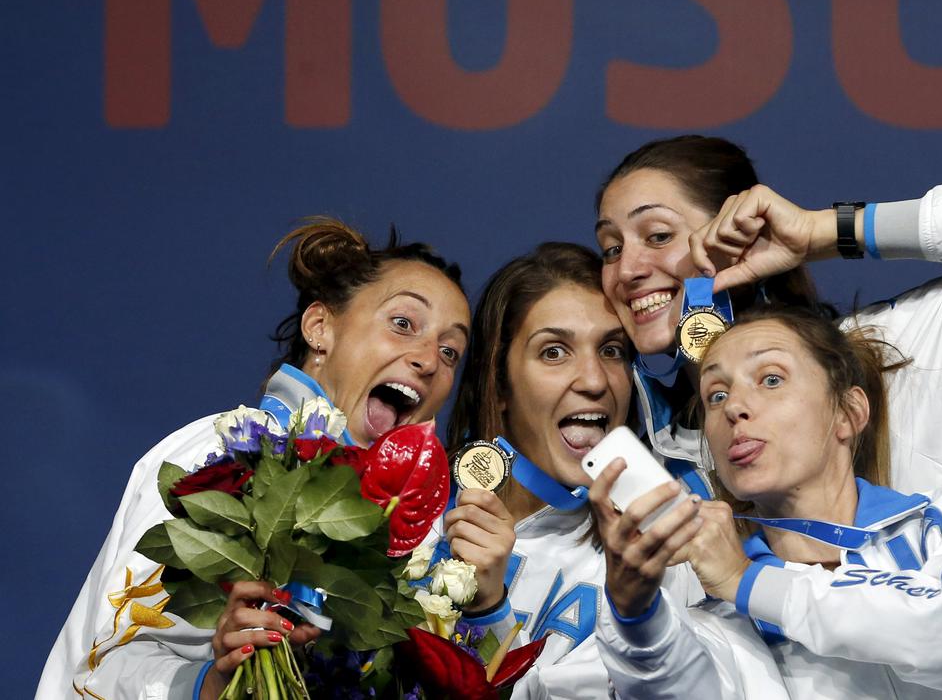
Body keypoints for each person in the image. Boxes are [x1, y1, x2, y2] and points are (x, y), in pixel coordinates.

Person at [36, 218, 471, 700]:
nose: (429, 359)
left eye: (451, 351)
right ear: (320, 327)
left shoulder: (428, 531)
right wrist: (212, 683)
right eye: (403, 324)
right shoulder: (218, 456)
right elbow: (102, 666)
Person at [591, 305, 942, 698]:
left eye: (771, 379)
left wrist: (747, 580)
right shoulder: (724, 619)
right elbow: (676, 686)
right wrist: (634, 613)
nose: (735, 407)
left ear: (848, 413)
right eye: (716, 395)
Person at [594, 135, 942, 495]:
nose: (629, 269)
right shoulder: (640, 456)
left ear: (740, 233)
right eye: (611, 248)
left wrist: (819, 233)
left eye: (658, 235)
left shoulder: (881, 363)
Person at [434, 242, 702, 699]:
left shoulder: (655, 565)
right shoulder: (408, 513)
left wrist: (488, 613)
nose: (595, 380)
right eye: (555, 352)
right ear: (499, 385)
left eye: (612, 350)